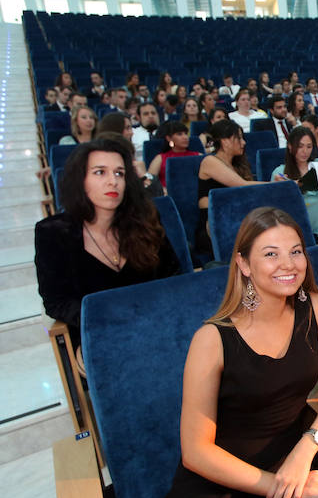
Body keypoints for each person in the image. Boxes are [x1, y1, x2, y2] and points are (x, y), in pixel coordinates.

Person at [167, 207, 318, 498]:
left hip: (291, 461)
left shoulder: (314, 307)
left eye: (296, 251)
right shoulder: (211, 339)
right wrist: (274, 483)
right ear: (244, 264)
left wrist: (305, 450)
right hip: (218, 482)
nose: (289, 264)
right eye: (271, 254)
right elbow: (195, 451)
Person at [34, 137, 180, 349]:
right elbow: (57, 302)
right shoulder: (53, 233)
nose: (113, 181)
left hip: (155, 327)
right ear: (80, 180)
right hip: (98, 337)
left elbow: (173, 276)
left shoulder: (145, 220)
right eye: (100, 172)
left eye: (119, 173)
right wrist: (111, 320)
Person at [197, 120, 263, 255]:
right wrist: (279, 185)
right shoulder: (209, 161)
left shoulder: (238, 165)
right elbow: (242, 186)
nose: (244, 143)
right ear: (225, 141)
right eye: (239, 138)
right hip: (214, 225)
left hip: (238, 219)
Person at [147, 121, 202, 188]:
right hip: (167, 194)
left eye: (186, 134)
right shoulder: (160, 158)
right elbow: (149, 181)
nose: (185, 137)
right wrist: (162, 190)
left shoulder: (198, 156)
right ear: (169, 138)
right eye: (179, 134)